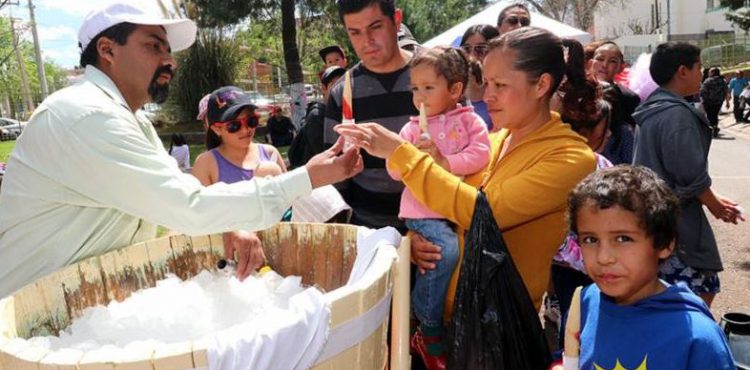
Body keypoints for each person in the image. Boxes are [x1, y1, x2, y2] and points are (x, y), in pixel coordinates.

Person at [0, 3, 362, 298]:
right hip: (31, 324)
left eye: (168, 50)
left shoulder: (130, 120)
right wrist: (308, 177)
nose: (169, 61)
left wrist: (224, 228)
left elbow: (171, 203)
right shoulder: (86, 115)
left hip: (74, 308)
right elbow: (188, 206)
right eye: (153, 45)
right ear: (107, 50)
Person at [336, 26, 596, 332]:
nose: (488, 96)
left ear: (541, 85)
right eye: (486, 83)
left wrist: (401, 154)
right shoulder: (496, 139)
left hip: (499, 330)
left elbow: (482, 212)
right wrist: (418, 240)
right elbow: (449, 200)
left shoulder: (571, 158)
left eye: (500, 85)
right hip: (449, 318)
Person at [564, 165, 736, 370]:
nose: (603, 257)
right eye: (590, 239)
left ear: (664, 244)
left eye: (623, 238)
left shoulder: (698, 338)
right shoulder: (585, 302)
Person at [388, 46, 490, 368]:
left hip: (455, 209)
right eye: (415, 88)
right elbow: (394, 170)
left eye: (428, 88)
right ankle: (427, 323)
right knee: (445, 250)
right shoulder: (409, 129)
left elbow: (481, 154)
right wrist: (412, 157)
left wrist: (445, 161)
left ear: (456, 89)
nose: (419, 96)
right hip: (422, 212)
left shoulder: (470, 121)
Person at [633, 42, 744, 307]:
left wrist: (713, 197)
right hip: (677, 224)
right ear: (683, 71)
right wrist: (717, 206)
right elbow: (690, 175)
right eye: (699, 68)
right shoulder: (676, 115)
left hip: (655, 218)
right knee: (697, 295)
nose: (701, 74)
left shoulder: (653, 109)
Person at [324, 0, 418, 231]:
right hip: (371, 234)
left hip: (437, 235)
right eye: (355, 33)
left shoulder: (437, 73)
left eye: (375, 27)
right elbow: (337, 178)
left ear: (396, 20)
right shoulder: (342, 94)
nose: (367, 42)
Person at [191, 87, 286, 275]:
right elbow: (198, 215)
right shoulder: (207, 163)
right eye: (234, 125)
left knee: (269, 170)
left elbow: (288, 206)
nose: (246, 130)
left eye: (251, 121)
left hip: (277, 253)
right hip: (230, 261)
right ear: (217, 129)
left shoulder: (269, 154)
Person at [587, 41, 638, 164]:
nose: (604, 65)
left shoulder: (628, 97)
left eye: (612, 61)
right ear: (590, 63)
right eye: (600, 59)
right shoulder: (577, 91)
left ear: (622, 67)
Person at [289, 66, 347, 169]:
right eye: (335, 85)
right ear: (324, 88)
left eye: (344, 85)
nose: (340, 90)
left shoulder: (342, 113)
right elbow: (324, 154)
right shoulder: (317, 116)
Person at [459, 24, 499, 129]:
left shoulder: (506, 93)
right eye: (466, 49)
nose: (472, 56)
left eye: (480, 50)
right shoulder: (453, 95)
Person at [700, 67, 730, 138]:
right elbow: (726, 91)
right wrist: (727, 102)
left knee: (710, 115)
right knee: (715, 114)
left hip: (709, 102)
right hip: (719, 102)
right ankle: (715, 126)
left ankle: (712, 128)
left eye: (710, 72)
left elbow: (703, 91)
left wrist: (702, 101)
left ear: (713, 73)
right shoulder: (722, 80)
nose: (708, 73)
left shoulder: (708, 81)